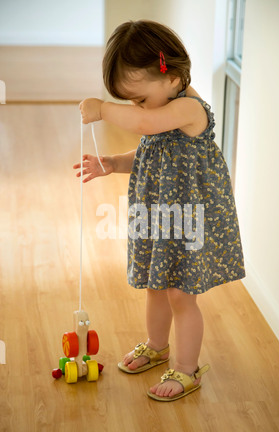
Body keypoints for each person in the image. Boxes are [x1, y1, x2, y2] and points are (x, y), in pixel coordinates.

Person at [74, 20, 245, 401]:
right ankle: (156, 344)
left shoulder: (186, 108)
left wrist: (104, 108)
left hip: (189, 219)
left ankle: (186, 369)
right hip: (159, 215)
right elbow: (153, 151)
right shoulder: (162, 106)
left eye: (138, 98)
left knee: (181, 293)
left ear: (172, 78)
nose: (135, 107)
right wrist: (115, 163)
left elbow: (147, 123)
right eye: (128, 100)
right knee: (156, 283)